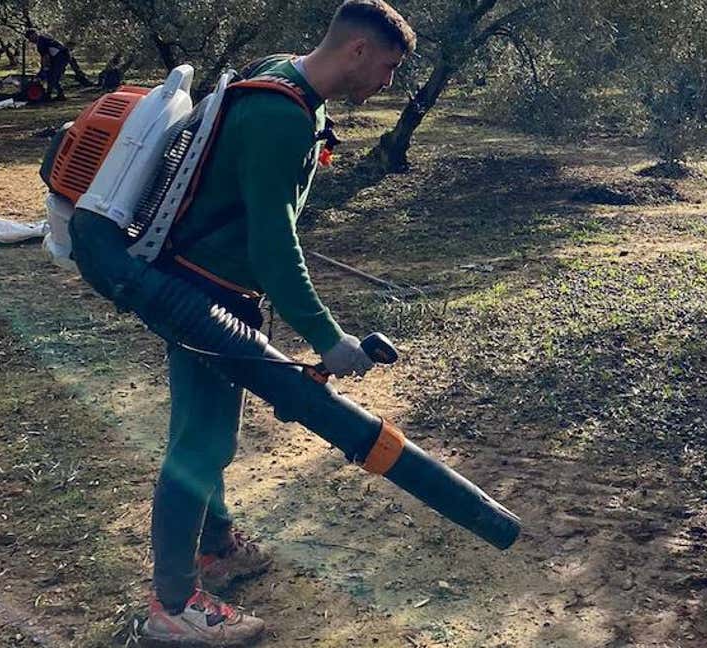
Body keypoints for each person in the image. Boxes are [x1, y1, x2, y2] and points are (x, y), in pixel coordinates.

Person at [137, 1, 415, 644]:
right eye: (389, 67)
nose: (389, 83)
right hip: (204, 295)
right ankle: (173, 608)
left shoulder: (285, 81)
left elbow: (262, 214)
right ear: (357, 51)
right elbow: (272, 243)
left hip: (205, 284)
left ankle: (215, 546)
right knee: (199, 446)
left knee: (205, 436)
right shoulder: (280, 115)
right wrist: (326, 337)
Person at [24, 29, 70, 100]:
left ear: (34, 35)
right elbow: (45, 56)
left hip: (61, 57)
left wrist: (45, 67)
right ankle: (52, 94)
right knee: (51, 76)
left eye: (30, 37)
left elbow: (46, 57)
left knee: (53, 76)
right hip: (59, 56)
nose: (30, 40)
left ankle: (55, 95)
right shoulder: (42, 39)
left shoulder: (41, 42)